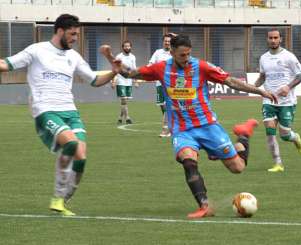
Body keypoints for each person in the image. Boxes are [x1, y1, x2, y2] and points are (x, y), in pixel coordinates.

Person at [100, 34, 276, 219]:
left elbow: (230, 81)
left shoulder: (200, 66)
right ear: (172, 52)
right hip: (182, 130)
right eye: (182, 55)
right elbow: (130, 73)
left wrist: (259, 91)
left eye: (188, 54)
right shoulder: (161, 68)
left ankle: (243, 134)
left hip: (207, 126)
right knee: (188, 162)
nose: (186, 59)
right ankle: (204, 205)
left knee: (237, 167)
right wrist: (112, 60)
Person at [0, 14, 117, 216]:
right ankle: (57, 197)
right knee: (70, 144)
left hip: (70, 111)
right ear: (60, 31)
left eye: (77, 35)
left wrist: (114, 72)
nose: (75, 38)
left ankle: (62, 200)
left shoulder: (74, 57)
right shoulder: (37, 50)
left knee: (81, 156)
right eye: (72, 34)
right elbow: (6, 64)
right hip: (45, 109)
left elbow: (94, 81)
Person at [255, 28, 301, 173]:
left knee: (285, 135)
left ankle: (295, 138)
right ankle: (278, 164)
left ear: (280, 39)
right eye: (270, 38)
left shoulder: (289, 56)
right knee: (270, 131)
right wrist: (253, 87)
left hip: (287, 102)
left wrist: (288, 87)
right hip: (269, 100)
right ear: (267, 39)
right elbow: (263, 76)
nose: (273, 40)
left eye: (276, 38)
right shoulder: (263, 58)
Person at [149, 33, 173, 137]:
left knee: (168, 106)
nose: (167, 42)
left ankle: (165, 129)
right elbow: (150, 64)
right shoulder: (158, 52)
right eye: (165, 41)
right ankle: (170, 126)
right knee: (163, 106)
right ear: (163, 42)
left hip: (172, 84)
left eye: (169, 41)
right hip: (160, 83)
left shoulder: (175, 53)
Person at [114, 40, 137, 124]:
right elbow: (115, 69)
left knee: (125, 101)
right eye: (125, 46)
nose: (127, 47)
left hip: (129, 80)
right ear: (123, 47)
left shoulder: (133, 57)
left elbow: (134, 70)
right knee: (123, 99)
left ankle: (120, 117)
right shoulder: (119, 57)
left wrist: (135, 81)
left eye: (128, 46)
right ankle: (127, 117)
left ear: (130, 47)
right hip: (120, 80)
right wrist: (114, 80)